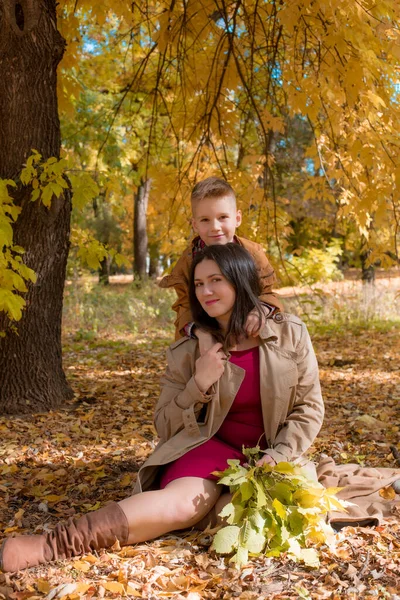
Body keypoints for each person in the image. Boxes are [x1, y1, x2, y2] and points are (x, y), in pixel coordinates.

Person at [0, 243, 324, 572]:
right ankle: (52, 545)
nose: (206, 292)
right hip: (211, 446)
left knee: (267, 520)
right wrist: (198, 383)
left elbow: (309, 407)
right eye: (198, 284)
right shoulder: (188, 350)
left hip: (272, 457)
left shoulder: (290, 333)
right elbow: (165, 425)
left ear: (239, 280)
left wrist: (280, 454)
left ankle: (214, 504)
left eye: (216, 280)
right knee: (185, 505)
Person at [159, 176, 283, 346]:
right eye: (205, 220)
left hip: (249, 335)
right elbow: (185, 306)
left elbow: (267, 292)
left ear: (237, 219)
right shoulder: (188, 262)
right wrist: (200, 332)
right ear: (195, 225)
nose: (215, 227)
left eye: (222, 217)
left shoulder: (253, 253)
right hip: (203, 340)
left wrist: (259, 310)